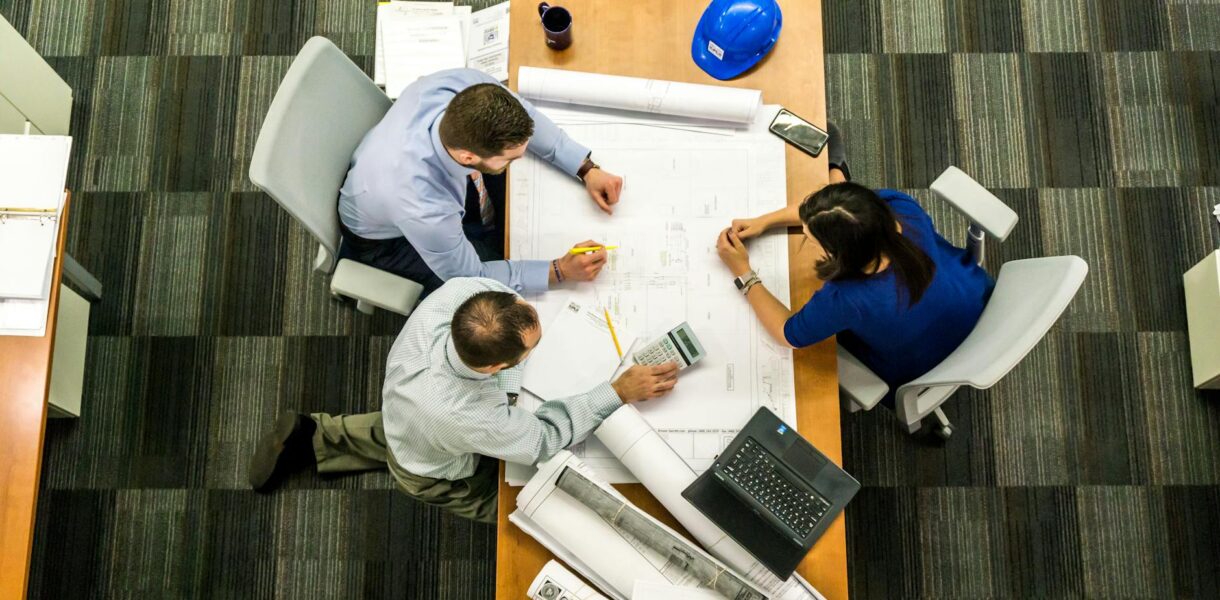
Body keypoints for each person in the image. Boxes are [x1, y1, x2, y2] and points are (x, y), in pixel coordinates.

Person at [248, 277, 679, 522]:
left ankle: (315, 435)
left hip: (407, 408)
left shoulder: (461, 295)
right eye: (531, 349)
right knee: (520, 505)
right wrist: (616, 391)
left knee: (403, 429)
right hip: (433, 468)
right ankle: (525, 516)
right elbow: (542, 440)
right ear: (496, 367)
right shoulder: (468, 415)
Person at [714, 128, 992, 408]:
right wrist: (765, 221)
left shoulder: (847, 298)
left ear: (838, 254)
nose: (806, 241)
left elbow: (789, 334)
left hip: (923, 363)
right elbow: (831, 209)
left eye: (810, 239)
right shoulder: (899, 208)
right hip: (975, 300)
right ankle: (837, 172)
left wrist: (743, 273)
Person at [338, 68, 625, 296]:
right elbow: (471, 276)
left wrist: (585, 168)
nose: (520, 159)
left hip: (390, 174)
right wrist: (558, 271)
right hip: (385, 240)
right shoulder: (423, 207)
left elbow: (527, 116)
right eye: (511, 158)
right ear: (468, 156)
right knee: (492, 293)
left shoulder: (464, 86)